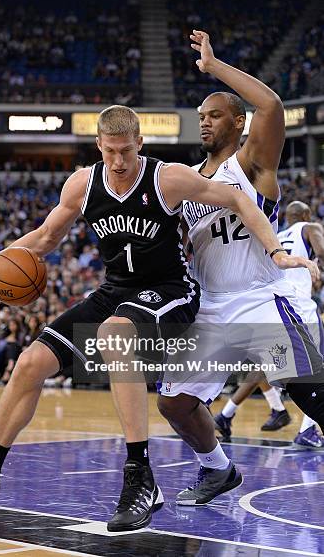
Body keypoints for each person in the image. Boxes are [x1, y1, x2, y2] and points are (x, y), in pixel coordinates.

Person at [0, 105, 314, 532]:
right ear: (98, 147)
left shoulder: (167, 177)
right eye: (111, 152)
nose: (119, 161)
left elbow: (238, 197)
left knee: (115, 334)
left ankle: (140, 475)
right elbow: (47, 237)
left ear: (140, 144)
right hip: (116, 291)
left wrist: (274, 249)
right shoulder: (82, 184)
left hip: (172, 292)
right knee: (32, 361)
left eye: (126, 151)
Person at [158, 30, 324, 506]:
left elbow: (270, 105)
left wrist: (214, 67)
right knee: (175, 403)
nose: (205, 123)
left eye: (214, 115)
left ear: (237, 122)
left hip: (259, 298)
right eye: (201, 117)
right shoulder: (190, 181)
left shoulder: (251, 165)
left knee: (310, 392)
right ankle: (218, 470)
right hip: (211, 308)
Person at [215, 200, 324, 448]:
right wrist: (317, 270)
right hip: (298, 307)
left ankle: (230, 414)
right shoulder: (310, 226)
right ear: (305, 214)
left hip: (269, 303)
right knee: (315, 371)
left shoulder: (274, 232)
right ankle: (307, 429)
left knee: (271, 363)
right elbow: (322, 250)